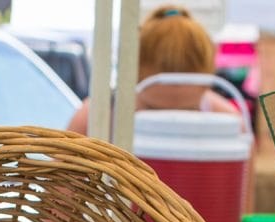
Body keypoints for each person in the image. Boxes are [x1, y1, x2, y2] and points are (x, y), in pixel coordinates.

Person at [66, 6, 239, 134]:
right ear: (132, 78)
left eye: (188, 111)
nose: (172, 122)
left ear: (207, 84)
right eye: (153, 110)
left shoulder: (231, 124)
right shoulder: (97, 117)